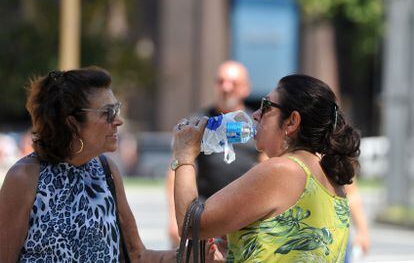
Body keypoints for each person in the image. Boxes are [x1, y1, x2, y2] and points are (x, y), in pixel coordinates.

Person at [172, 74, 361, 262]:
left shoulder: (282, 170)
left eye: (266, 106)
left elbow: (192, 225)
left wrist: (185, 155)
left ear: (292, 121)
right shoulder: (331, 179)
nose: (254, 115)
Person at [0, 67, 175, 262]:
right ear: (72, 123)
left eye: (115, 110)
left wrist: (190, 256)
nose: (118, 120)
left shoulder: (106, 169)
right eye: (107, 113)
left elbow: (137, 254)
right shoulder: (25, 177)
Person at [166, 60, 260, 247]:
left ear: (246, 88)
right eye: (221, 81)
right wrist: (172, 218)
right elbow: (175, 169)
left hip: (245, 220)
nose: (226, 88)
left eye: (233, 83)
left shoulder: (257, 124)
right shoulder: (198, 123)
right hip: (206, 217)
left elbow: (267, 164)